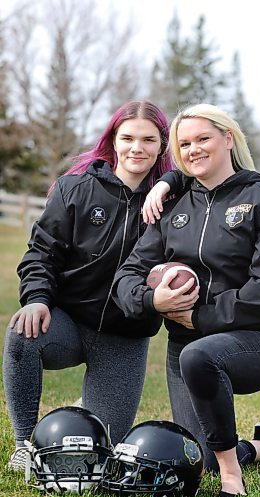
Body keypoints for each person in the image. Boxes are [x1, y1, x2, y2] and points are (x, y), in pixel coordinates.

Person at [112, 104, 260, 497]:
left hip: (257, 341)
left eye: (204, 139)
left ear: (228, 138)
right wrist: (153, 301)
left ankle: (233, 480)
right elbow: (127, 276)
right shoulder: (171, 208)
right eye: (184, 143)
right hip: (185, 347)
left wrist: (197, 317)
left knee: (200, 358)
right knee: (201, 458)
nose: (194, 149)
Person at [3, 100, 174, 471]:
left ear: (162, 145)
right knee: (22, 332)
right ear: (113, 139)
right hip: (67, 323)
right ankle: (23, 442)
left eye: (148, 139)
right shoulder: (74, 188)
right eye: (127, 137)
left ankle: (87, 406)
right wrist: (36, 299)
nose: (137, 148)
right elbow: (41, 253)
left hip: (124, 336)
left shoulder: (174, 204)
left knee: (100, 455)